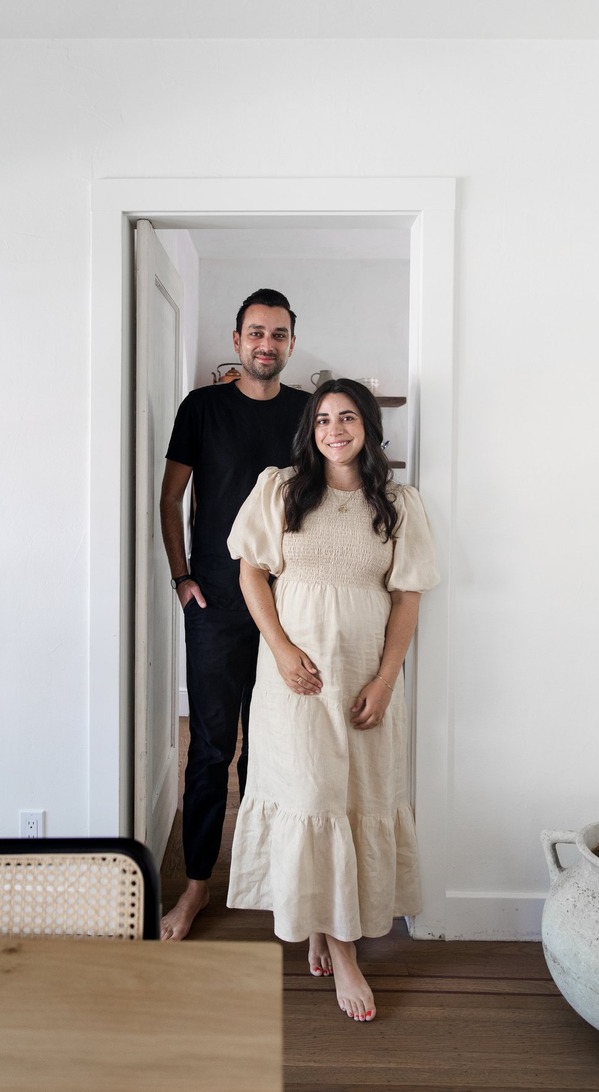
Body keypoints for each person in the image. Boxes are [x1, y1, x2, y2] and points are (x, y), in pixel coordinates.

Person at [226, 378, 439, 1021]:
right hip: (295, 678)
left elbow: (407, 596)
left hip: (363, 679)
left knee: (352, 799)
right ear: (310, 430)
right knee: (310, 795)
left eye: (347, 418)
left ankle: (331, 931)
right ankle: (342, 949)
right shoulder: (282, 489)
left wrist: (384, 679)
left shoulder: (398, 504)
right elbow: (250, 572)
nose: (334, 429)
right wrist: (283, 651)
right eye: (322, 420)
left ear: (369, 427)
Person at [159, 288, 309, 941]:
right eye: (255, 332)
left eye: (277, 334)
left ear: (291, 344)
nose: (265, 344)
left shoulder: (309, 413)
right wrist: (182, 576)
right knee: (213, 748)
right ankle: (196, 886)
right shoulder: (203, 408)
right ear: (237, 339)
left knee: (275, 748)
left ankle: (267, 879)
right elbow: (170, 499)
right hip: (217, 600)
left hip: (291, 603)